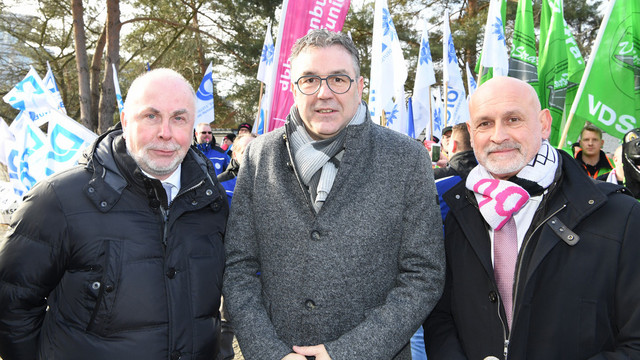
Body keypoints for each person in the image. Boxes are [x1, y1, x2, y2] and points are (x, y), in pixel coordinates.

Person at [223, 29, 445, 360]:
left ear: (359, 85)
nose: (324, 93)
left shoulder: (406, 158)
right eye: (309, 80)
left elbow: (424, 275)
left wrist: (349, 352)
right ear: (293, 88)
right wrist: (270, 352)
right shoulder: (259, 156)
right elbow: (237, 267)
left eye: (338, 79)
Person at [0, 69, 229, 360]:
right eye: (151, 116)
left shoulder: (212, 200)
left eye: (179, 118)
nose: (165, 132)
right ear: (124, 121)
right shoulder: (58, 200)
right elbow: (12, 306)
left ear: (193, 125)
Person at [423, 76, 640, 360]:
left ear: (545, 124)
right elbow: (441, 317)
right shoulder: (456, 211)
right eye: (485, 123)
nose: (498, 135)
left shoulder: (620, 215)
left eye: (513, 119)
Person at [218, 132, 257, 205]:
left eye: (255, 151)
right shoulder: (220, 183)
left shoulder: (270, 180)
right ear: (235, 155)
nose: (251, 155)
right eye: (245, 152)